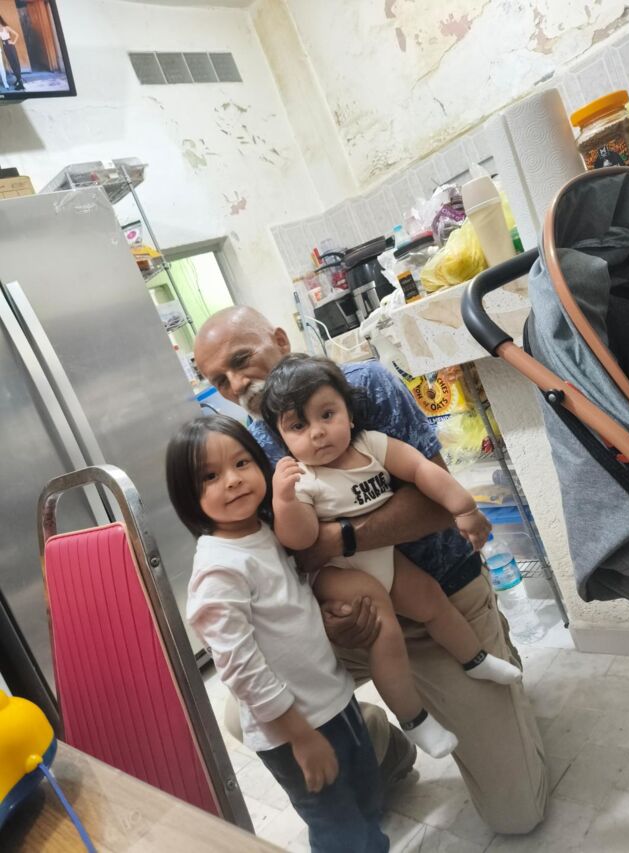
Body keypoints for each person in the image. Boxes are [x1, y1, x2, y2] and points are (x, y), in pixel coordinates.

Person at [193, 305, 549, 834]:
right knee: (248, 715)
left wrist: (340, 538)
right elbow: (285, 553)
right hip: (353, 618)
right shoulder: (250, 448)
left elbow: (437, 502)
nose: (237, 383)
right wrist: (324, 612)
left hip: (439, 595)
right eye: (220, 380)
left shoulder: (364, 388)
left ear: (281, 340)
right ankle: (380, 746)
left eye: (241, 360)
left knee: (517, 814)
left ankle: (493, 663)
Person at [262, 353, 523, 759]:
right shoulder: (302, 480)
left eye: (327, 414)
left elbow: (421, 469)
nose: (317, 432)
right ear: (283, 439)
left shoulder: (370, 445)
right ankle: (414, 719)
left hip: (383, 557)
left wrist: (464, 508)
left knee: (431, 599)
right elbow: (303, 538)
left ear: (349, 413)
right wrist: (283, 499)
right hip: (338, 573)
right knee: (384, 631)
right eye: (298, 426)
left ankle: (475, 659)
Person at [166, 414, 389, 853]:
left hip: (333, 698)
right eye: (210, 476)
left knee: (366, 796)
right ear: (188, 495)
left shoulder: (264, 529)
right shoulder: (218, 569)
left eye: (242, 463)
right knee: (337, 827)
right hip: (292, 730)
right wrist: (300, 736)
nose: (233, 480)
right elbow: (241, 668)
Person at [0, 17, 24, 92]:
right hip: (5, 47)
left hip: (10, 46)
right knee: (12, 63)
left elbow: (17, 34)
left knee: (15, 62)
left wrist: (13, 42)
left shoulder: (6, 28)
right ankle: (18, 80)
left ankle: (21, 84)